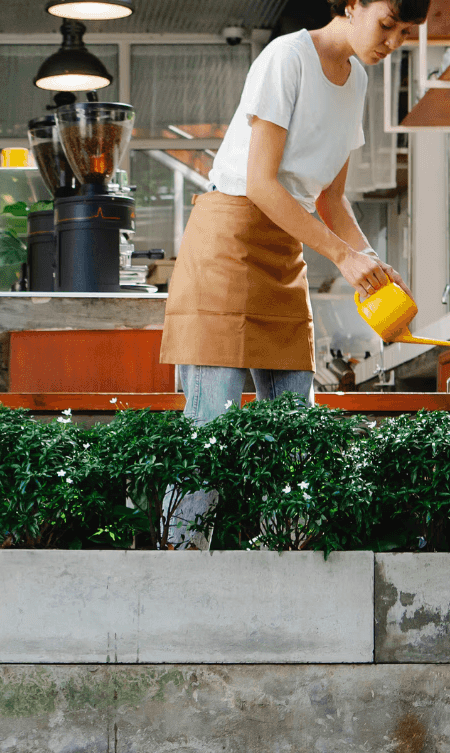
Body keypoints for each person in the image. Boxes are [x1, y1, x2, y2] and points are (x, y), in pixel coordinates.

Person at [160, 0, 425, 544]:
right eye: (387, 24)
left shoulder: (356, 83)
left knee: (294, 435)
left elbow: (330, 198)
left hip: (285, 248)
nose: (393, 40)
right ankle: (178, 572)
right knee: (211, 430)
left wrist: (368, 258)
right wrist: (341, 256)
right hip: (228, 240)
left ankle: (287, 569)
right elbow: (260, 183)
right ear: (352, 5)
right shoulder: (287, 58)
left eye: (404, 33)